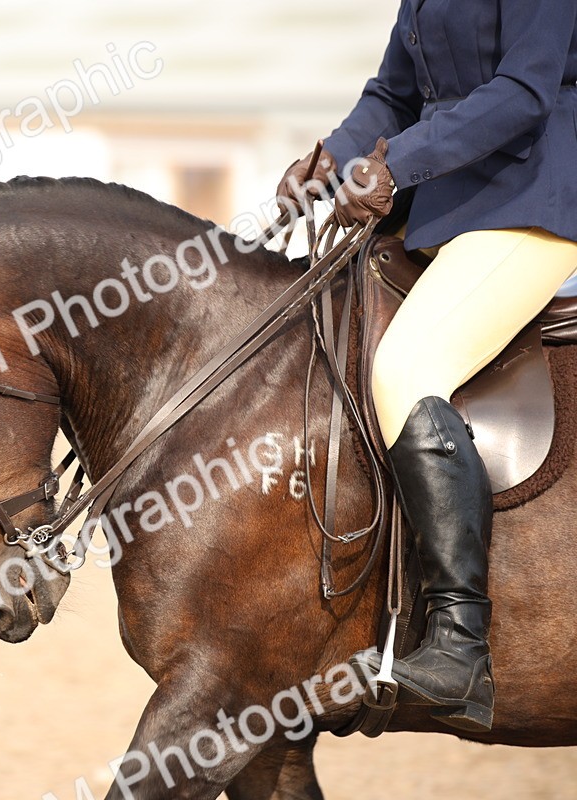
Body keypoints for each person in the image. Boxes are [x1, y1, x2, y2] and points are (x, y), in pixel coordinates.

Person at [276, 0, 577, 733]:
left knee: (408, 365)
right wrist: (332, 159)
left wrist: (398, 165)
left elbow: (524, 90)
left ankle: (458, 646)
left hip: (533, 203)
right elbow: (392, 93)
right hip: (444, 208)